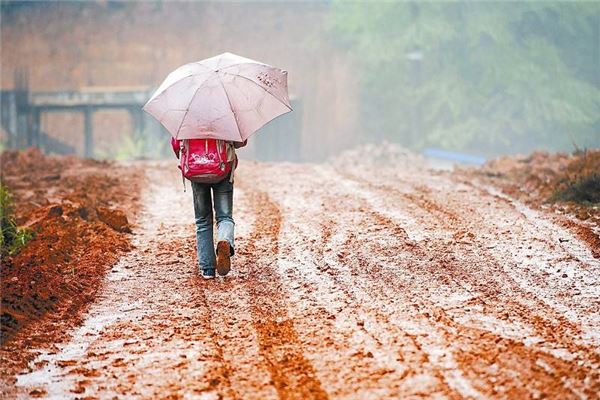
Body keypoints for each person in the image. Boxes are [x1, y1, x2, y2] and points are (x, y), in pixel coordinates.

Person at [172, 137, 247, 279]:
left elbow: (176, 144)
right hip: (222, 170)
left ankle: (207, 269)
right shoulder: (226, 115)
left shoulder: (186, 117)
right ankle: (224, 240)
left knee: (203, 221)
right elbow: (240, 142)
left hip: (196, 170)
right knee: (224, 217)